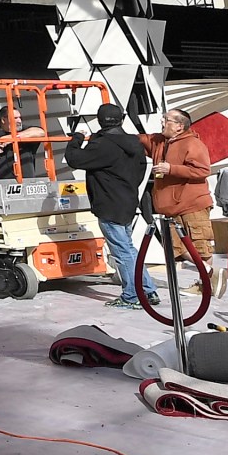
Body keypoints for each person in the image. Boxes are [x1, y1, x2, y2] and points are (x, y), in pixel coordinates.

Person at [66, 106, 153, 310]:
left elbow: (74, 159)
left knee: (122, 251)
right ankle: (148, 290)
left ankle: (132, 295)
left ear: (99, 121)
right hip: (128, 200)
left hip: (109, 203)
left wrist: (77, 137)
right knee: (128, 248)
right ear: (122, 119)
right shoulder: (134, 142)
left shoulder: (103, 145)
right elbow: (141, 170)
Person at [142, 107, 215, 261]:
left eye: (166, 119)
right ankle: (209, 272)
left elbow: (203, 170)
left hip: (192, 206)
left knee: (201, 249)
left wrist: (171, 169)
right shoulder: (159, 142)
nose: (162, 121)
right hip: (170, 210)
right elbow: (137, 140)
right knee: (176, 250)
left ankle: (209, 276)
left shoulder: (193, 143)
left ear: (179, 126)